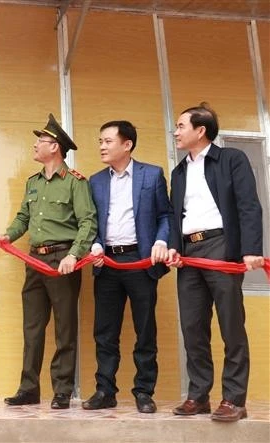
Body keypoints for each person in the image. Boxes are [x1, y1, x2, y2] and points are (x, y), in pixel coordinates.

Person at [0, 114, 97, 409]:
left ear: (56, 147)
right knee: (32, 328)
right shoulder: (33, 183)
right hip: (35, 262)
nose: (35, 146)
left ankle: (62, 390)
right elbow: (23, 217)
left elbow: (88, 222)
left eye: (41, 141)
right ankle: (29, 388)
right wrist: (7, 237)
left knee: (64, 328)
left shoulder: (75, 183)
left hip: (63, 260)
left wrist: (75, 255)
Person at [167, 103, 264, 422]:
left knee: (230, 324)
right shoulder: (179, 171)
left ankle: (234, 398)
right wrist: (172, 247)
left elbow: (249, 205)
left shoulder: (232, 160)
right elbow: (173, 215)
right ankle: (198, 394)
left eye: (181, 126)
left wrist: (250, 249)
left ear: (201, 130)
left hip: (221, 245)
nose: (176, 131)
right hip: (189, 253)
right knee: (192, 326)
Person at [83, 121, 171, 414]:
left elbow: (165, 215)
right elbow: (90, 222)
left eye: (108, 141)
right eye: (100, 141)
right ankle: (104, 390)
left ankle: (144, 391)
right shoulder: (94, 181)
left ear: (127, 144)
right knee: (105, 331)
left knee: (145, 330)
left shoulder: (152, 174)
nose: (102, 147)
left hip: (140, 261)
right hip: (106, 263)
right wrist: (94, 244)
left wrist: (161, 240)